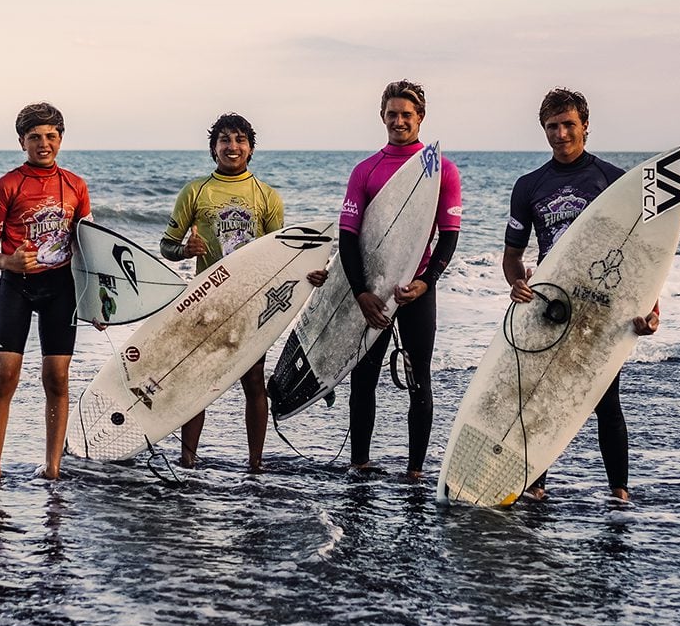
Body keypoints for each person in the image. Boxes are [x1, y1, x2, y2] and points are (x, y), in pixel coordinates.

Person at [502, 87, 660, 503]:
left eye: (568, 124)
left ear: (585, 126)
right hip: (549, 306)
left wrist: (651, 309)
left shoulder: (613, 180)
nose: (560, 133)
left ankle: (619, 491)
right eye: (552, 126)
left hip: (599, 307)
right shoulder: (528, 186)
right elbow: (513, 257)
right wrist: (517, 282)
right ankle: (535, 484)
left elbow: (644, 254)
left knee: (605, 400)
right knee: (540, 398)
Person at [160, 112, 325, 472]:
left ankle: (255, 463)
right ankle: (187, 459)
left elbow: (281, 256)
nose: (232, 147)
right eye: (224, 140)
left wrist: (307, 274)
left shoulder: (266, 196)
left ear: (250, 148)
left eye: (239, 140)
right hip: (208, 301)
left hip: (253, 301)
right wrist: (185, 250)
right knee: (196, 382)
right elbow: (166, 246)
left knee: (253, 381)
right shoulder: (195, 192)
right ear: (213, 148)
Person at [339, 80, 462, 478]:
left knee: (419, 381)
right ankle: (360, 462)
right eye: (392, 114)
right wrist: (360, 292)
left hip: (417, 293)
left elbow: (449, 235)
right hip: (372, 292)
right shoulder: (365, 171)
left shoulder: (442, 170)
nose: (399, 121)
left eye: (407, 115)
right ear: (382, 117)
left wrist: (427, 281)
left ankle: (414, 470)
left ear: (420, 118)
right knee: (364, 380)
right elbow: (348, 238)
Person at [0, 102, 92, 488]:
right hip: (17, 288)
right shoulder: (7, 186)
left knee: (57, 378)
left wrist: (98, 301)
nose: (43, 144)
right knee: (5, 376)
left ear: (60, 138)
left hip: (61, 287)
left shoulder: (76, 185)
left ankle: (52, 467)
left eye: (50, 136)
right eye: (34, 137)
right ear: (21, 142)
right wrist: (9, 262)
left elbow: (88, 246)